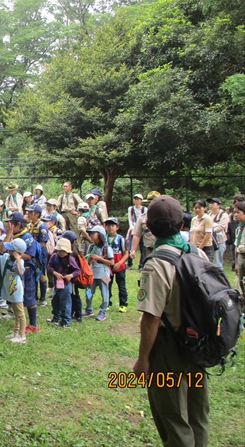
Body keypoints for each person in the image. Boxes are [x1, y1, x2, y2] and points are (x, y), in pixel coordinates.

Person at [133, 195, 209, 447]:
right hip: (198, 346)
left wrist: (143, 359)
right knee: (197, 414)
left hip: (170, 351)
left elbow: (152, 318)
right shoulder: (197, 252)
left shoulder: (157, 263)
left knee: (174, 417)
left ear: (150, 228)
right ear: (181, 225)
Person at [0, 238, 28, 344]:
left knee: (20, 313)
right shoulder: (8, 258)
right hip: (11, 289)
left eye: (11, 249)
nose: (8, 250)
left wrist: (18, 259)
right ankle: (16, 331)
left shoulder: (19, 261)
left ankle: (22, 335)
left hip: (16, 290)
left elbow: (21, 272)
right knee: (16, 313)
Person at [46, 237, 81, 328]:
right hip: (57, 284)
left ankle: (66, 321)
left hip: (66, 284)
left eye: (63, 251)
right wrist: (55, 273)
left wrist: (70, 275)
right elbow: (49, 267)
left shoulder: (70, 259)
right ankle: (56, 317)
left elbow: (77, 270)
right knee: (55, 301)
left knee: (65, 303)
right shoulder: (54, 257)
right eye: (59, 251)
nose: (61, 253)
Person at [83, 225, 114, 321]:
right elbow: (87, 260)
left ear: (99, 235)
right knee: (88, 292)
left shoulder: (106, 248)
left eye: (93, 233)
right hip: (92, 274)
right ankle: (89, 309)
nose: (90, 235)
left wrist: (98, 258)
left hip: (103, 274)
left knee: (104, 293)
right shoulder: (91, 247)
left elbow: (112, 262)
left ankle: (103, 311)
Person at [130, 191, 160, 268]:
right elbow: (136, 234)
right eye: (149, 203)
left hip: (164, 249)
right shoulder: (142, 218)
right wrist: (133, 250)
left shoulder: (167, 216)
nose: (151, 205)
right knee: (148, 272)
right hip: (149, 250)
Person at [104, 217, 129, 312]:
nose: (110, 228)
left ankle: (123, 304)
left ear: (117, 227)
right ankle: (107, 303)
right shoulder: (104, 239)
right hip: (107, 267)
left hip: (120, 267)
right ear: (105, 227)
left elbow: (126, 254)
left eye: (112, 225)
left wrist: (119, 263)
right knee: (107, 285)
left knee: (121, 285)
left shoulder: (120, 239)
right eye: (108, 225)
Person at [207, 197, 228, 269]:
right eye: (210, 203)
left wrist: (210, 230)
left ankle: (220, 278)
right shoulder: (208, 214)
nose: (210, 205)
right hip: (210, 241)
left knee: (218, 262)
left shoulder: (223, 215)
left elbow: (221, 227)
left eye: (213, 203)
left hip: (219, 241)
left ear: (219, 205)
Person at [127, 194, 146, 269]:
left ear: (141, 200)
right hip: (133, 228)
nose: (136, 200)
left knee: (143, 248)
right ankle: (129, 264)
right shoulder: (131, 209)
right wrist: (131, 227)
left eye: (138, 199)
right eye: (135, 199)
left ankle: (141, 265)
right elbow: (130, 219)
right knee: (130, 247)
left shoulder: (144, 209)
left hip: (142, 229)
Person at [232, 201, 245, 295]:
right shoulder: (238, 228)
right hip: (241, 257)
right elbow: (236, 245)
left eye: (238, 212)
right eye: (234, 212)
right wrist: (236, 263)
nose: (236, 215)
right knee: (241, 283)